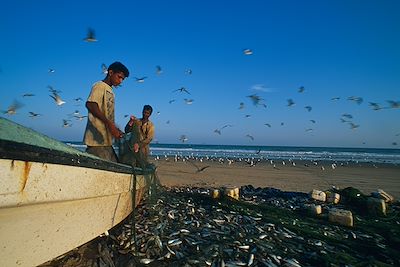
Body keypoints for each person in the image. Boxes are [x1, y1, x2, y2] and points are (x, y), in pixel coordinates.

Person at [83, 61, 130, 162]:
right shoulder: (99, 86)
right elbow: (90, 104)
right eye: (119, 77)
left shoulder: (111, 91)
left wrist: (115, 129)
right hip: (96, 141)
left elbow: (106, 115)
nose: (121, 81)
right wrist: (109, 124)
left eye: (123, 79)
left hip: (107, 141)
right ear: (111, 72)